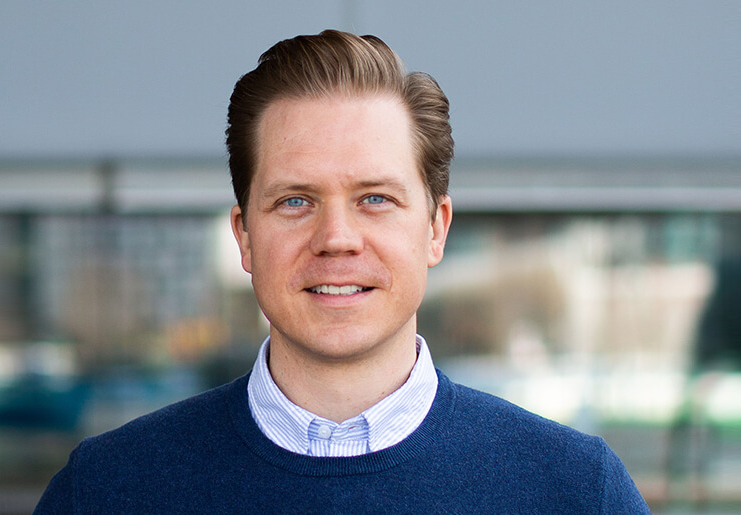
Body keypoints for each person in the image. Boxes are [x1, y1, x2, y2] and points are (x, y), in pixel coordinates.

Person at [35, 30, 649, 513]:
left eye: (375, 198)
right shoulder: (108, 491)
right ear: (244, 236)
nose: (336, 239)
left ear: (435, 228)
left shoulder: (573, 492)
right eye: (295, 200)